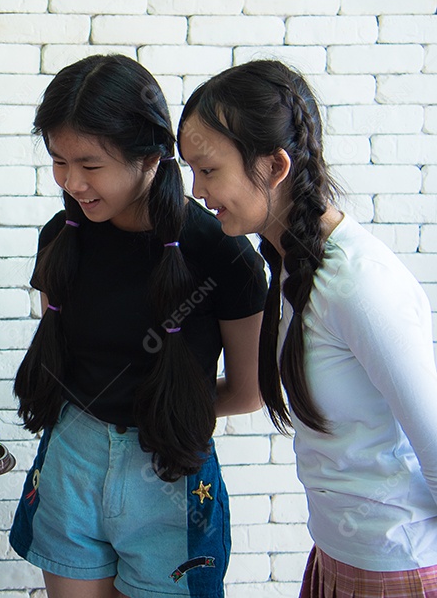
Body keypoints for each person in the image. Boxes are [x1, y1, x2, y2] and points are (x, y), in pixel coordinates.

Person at [9, 54, 269, 598]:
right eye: (59, 161)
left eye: (91, 163)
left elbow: (249, 392)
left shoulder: (224, 252)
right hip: (72, 458)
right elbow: (63, 360)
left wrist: (167, 409)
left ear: (151, 156)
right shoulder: (61, 237)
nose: (72, 181)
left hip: (168, 469)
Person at [178, 60, 437, 594]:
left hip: (398, 564)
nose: (198, 191)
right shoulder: (294, 265)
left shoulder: (361, 284)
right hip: (337, 554)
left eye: (209, 170)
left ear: (274, 166)